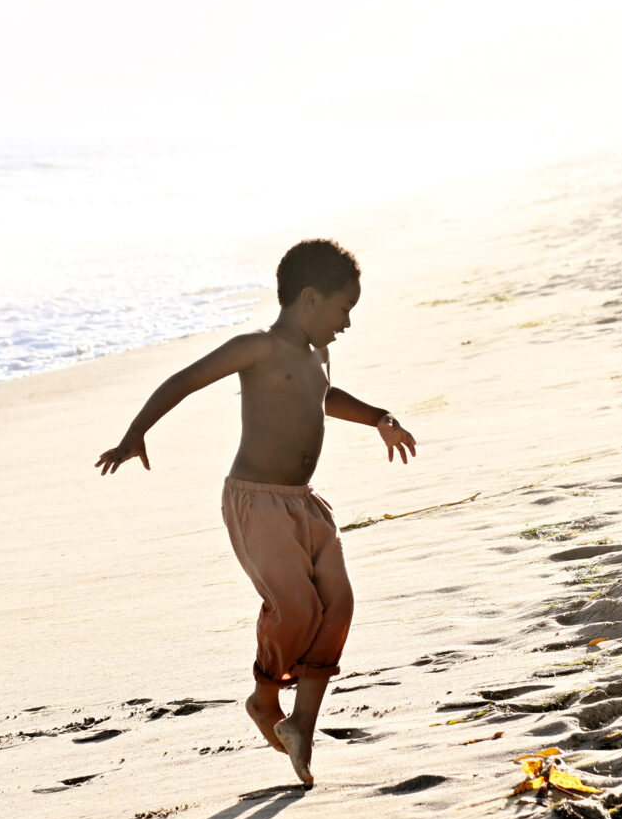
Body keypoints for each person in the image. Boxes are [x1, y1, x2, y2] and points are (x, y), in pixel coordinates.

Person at [96, 239, 417, 786]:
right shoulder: (258, 348)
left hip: (304, 502)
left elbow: (322, 397)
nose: (346, 323)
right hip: (256, 501)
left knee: (336, 604)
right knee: (294, 607)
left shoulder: (319, 355)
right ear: (311, 299)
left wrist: (379, 417)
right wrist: (134, 435)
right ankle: (264, 697)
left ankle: (302, 731)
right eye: (344, 309)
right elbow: (183, 381)